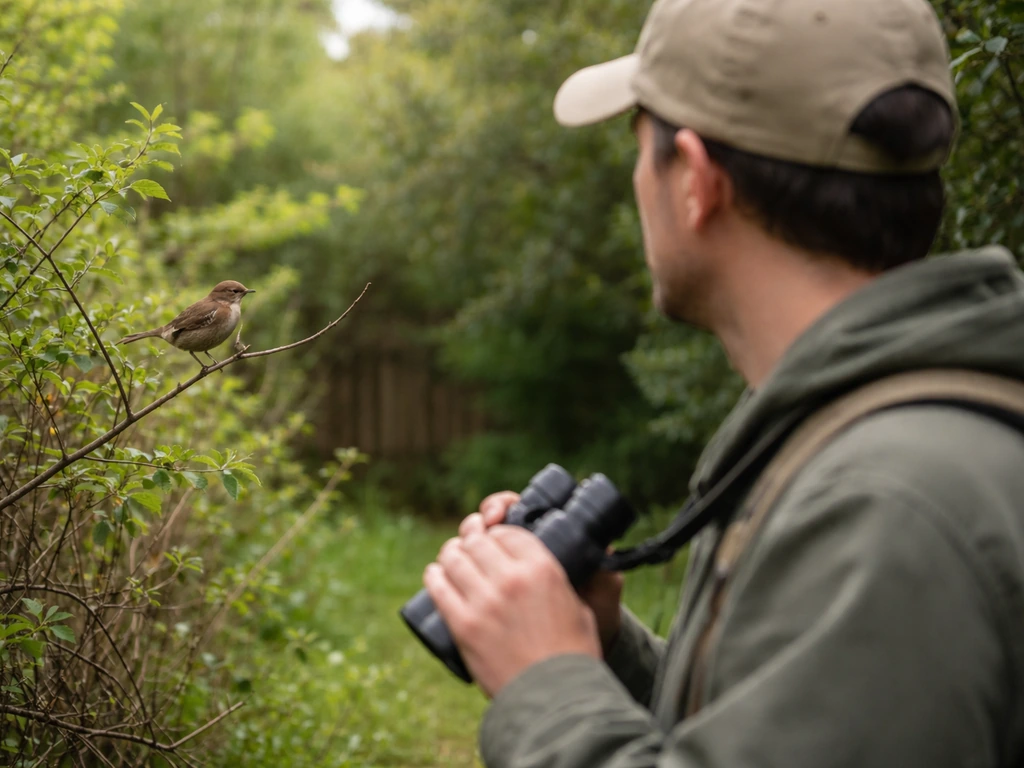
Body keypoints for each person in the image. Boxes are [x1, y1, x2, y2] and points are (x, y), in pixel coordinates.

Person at [421, 0, 1024, 765]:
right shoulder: (873, 437)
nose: (637, 179)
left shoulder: (885, 505)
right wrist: (608, 653)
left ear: (696, 183)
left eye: (640, 146)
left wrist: (549, 682)